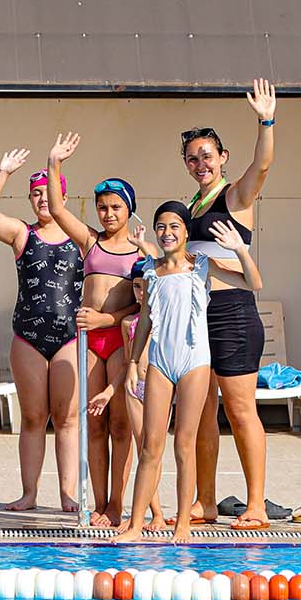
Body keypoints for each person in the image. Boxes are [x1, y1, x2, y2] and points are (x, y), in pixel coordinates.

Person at [116, 207, 261, 543]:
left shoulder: (202, 266)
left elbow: (254, 283)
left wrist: (240, 249)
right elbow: (146, 320)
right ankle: (137, 525)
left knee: (184, 443)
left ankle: (182, 523)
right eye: (161, 227)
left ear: (185, 231)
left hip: (194, 363)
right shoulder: (151, 271)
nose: (167, 232)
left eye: (174, 226)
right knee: (151, 446)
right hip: (160, 363)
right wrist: (134, 363)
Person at [181, 79, 278, 529]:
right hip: (197, 317)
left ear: (223, 158)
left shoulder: (234, 196)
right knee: (203, 412)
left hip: (233, 314)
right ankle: (205, 501)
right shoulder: (193, 205)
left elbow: (262, 167)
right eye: (192, 158)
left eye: (207, 155)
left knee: (240, 411)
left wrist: (266, 121)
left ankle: (256, 504)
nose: (200, 163)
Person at [0, 148, 86, 517]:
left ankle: (68, 494)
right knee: (34, 417)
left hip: (69, 336)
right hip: (28, 337)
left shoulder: (82, 237)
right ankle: (29, 493)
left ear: (62, 197)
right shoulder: (22, 235)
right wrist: (2, 171)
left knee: (68, 419)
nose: (42, 198)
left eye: (48, 192)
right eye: (36, 193)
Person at [43, 137, 143, 528]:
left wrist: (109, 319)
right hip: (89, 343)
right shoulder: (90, 242)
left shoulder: (140, 251)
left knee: (120, 424)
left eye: (116, 207)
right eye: (102, 207)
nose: (107, 213)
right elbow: (55, 207)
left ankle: (118, 502)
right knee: (93, 423)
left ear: (129, 209)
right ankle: (98, 502)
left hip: (120, 339)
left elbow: (143, 306)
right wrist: (54, 163)